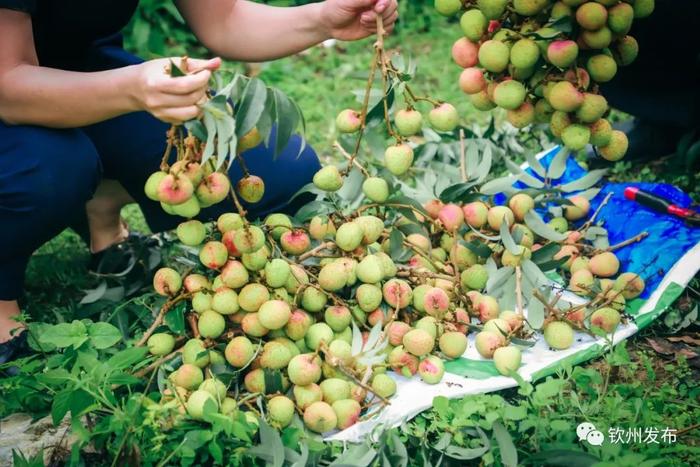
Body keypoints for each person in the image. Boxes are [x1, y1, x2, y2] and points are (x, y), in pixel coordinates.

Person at [0, 0, 399, 358]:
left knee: (283, 174)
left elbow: (223, 18)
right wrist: (133, 89)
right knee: (50, 169)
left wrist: (320, 20)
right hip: (11, 91)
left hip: (84, 72)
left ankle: (97, 200)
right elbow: (8, 87)